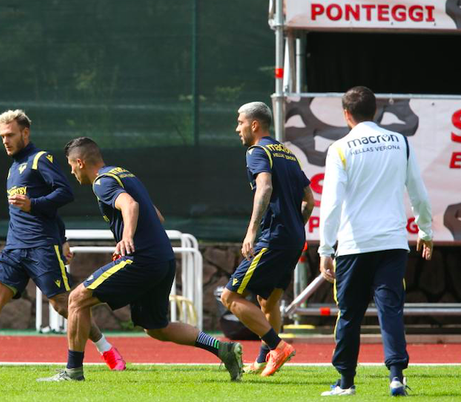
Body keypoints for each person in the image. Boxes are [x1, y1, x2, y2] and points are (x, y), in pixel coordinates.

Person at [37, 137, 243, 382]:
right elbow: (157, 215)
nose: (71, 171)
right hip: (163, 258)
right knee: (156, 327)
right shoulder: (123, 174)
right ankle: (223, 349)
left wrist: (126, 237)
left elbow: (130, 205)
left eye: (71, 165)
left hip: (143, 258)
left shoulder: (102, 182)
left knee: (76, 299)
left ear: (80, 162)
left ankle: (72, 372)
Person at [0, 110, 125, 371]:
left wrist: (41, 214)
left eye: (10, 134)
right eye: (2, 136)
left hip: (41, 246)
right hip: (14, 248)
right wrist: (59, 232)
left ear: (25, 133)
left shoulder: (40, 159)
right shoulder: (12, 169)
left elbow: (65, 193)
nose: (5, 140)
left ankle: (107, 349)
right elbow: (45, 210)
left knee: (63, 305)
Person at [318, 86, 433, 397]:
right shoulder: (400, 142)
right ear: (376, 110)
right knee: (390, 310)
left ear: (346, 114)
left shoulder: (340, 148)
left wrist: (325, 248)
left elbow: (331, 203)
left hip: (354, 246)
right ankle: (396, 377)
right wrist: (425, 231)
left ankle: (346, 382)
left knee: (349, 314)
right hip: (393, 244)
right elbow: (418, 192)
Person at [220, 102, 314, 377]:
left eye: (240, 122)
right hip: (294, 237)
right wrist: (295, 226)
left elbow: (264, 187)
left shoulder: (257, 151)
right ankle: (263, 360)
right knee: (268, 301)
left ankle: (278, 347)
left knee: (230, 296)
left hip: (275, 237)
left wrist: (252, 231)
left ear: (254, 125)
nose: (237, 128)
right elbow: (309, 200)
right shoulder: (288, 154)